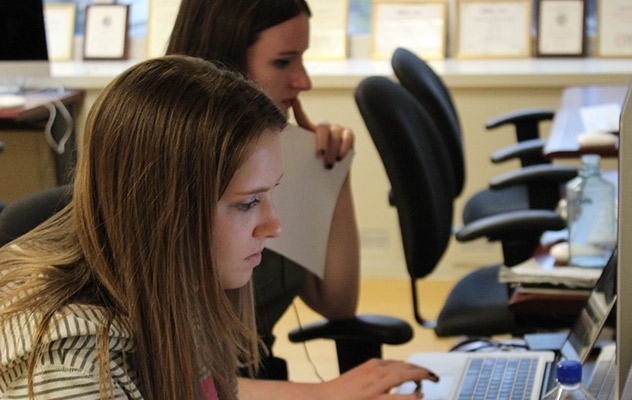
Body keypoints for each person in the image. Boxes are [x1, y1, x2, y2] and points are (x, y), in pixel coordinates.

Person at [0, 55, 436, 399]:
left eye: (271, 195)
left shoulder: (173, 289)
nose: (274, 225)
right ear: (164, 212)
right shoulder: (72, 373)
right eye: (248, 204)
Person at [167, 0, 361, 379]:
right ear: (224, 66)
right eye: (283, 62)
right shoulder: (166, 174)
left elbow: (336, 303)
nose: (304, 81)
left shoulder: (276, 161)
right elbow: (180, 380)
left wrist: (332, 175)